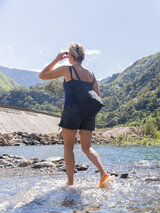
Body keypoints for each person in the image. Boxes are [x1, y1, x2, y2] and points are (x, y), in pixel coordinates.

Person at [39, 42, 113, 188]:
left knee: (68, 147)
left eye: (68, 56)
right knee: (87, 148)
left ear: (71, 56)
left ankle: (71, 182)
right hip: (88, 113)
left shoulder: (67, 70)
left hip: (72, 111)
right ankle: (104, 174)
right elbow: (97, 95)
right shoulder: (91, 74)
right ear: (83, 57)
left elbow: (42, 75)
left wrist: (56, 60)